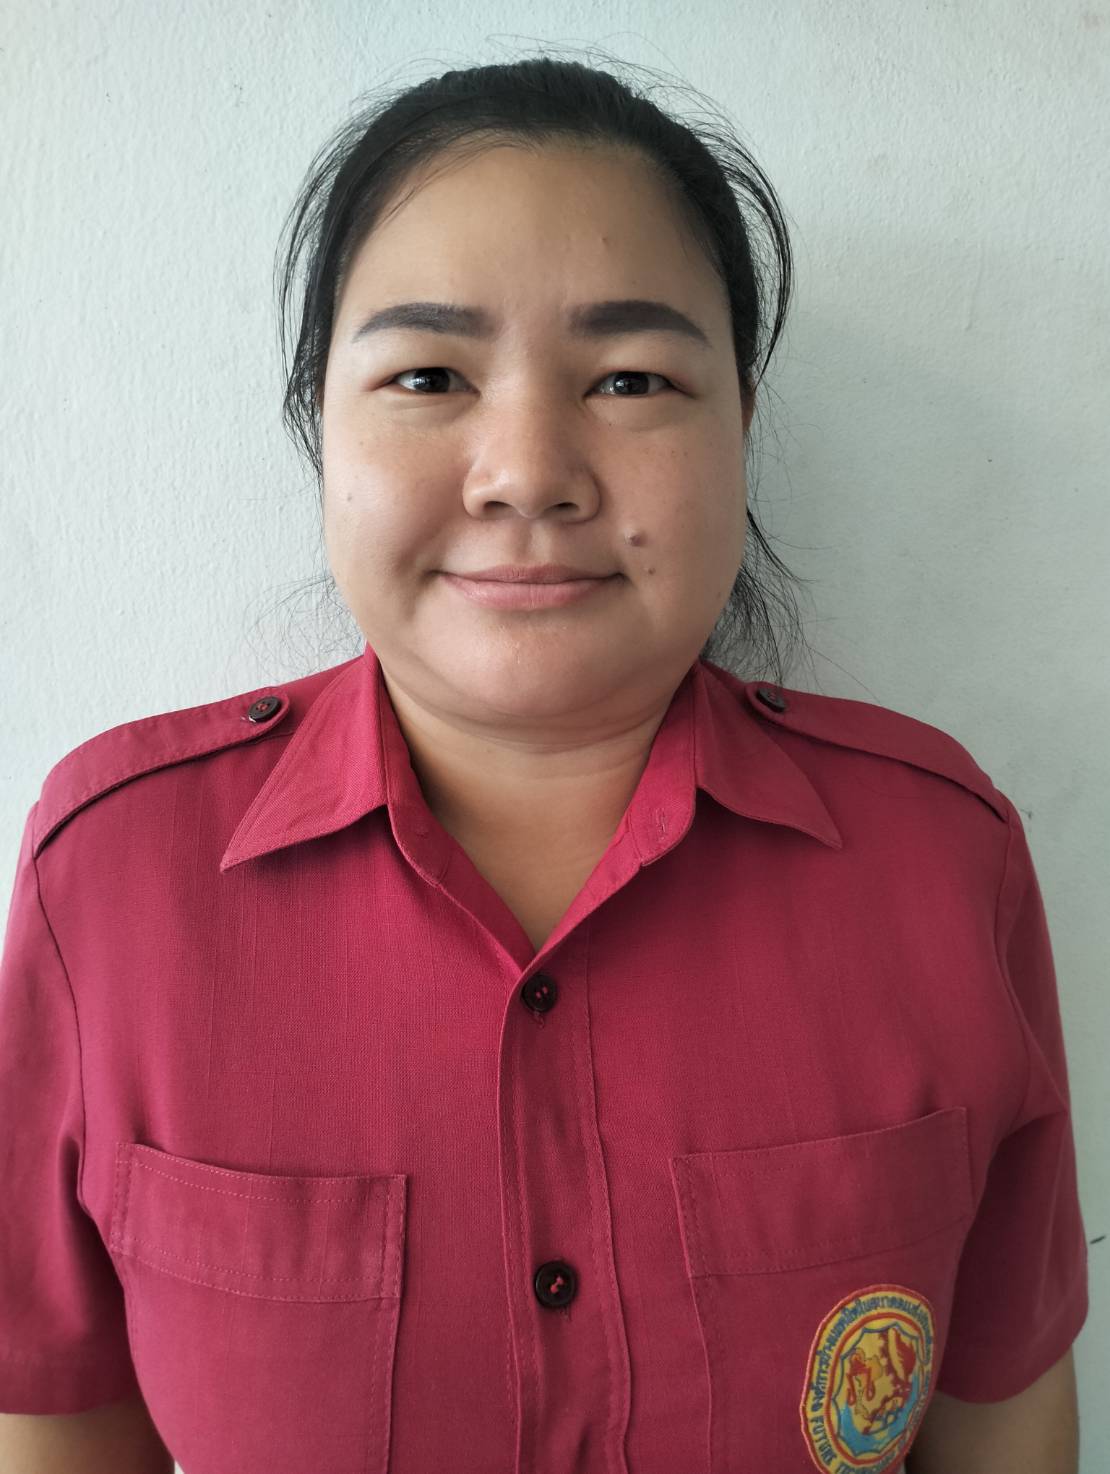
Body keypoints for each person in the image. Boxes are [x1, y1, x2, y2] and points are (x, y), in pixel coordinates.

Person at [0, 51, 1088, 1474]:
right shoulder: (113, 876)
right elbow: (61, 1417)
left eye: (631, 378)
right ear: (319, 423)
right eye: (427, 375)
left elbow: (1002, 1412)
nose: (526, 471)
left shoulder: (941, 858)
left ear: (741, 425)